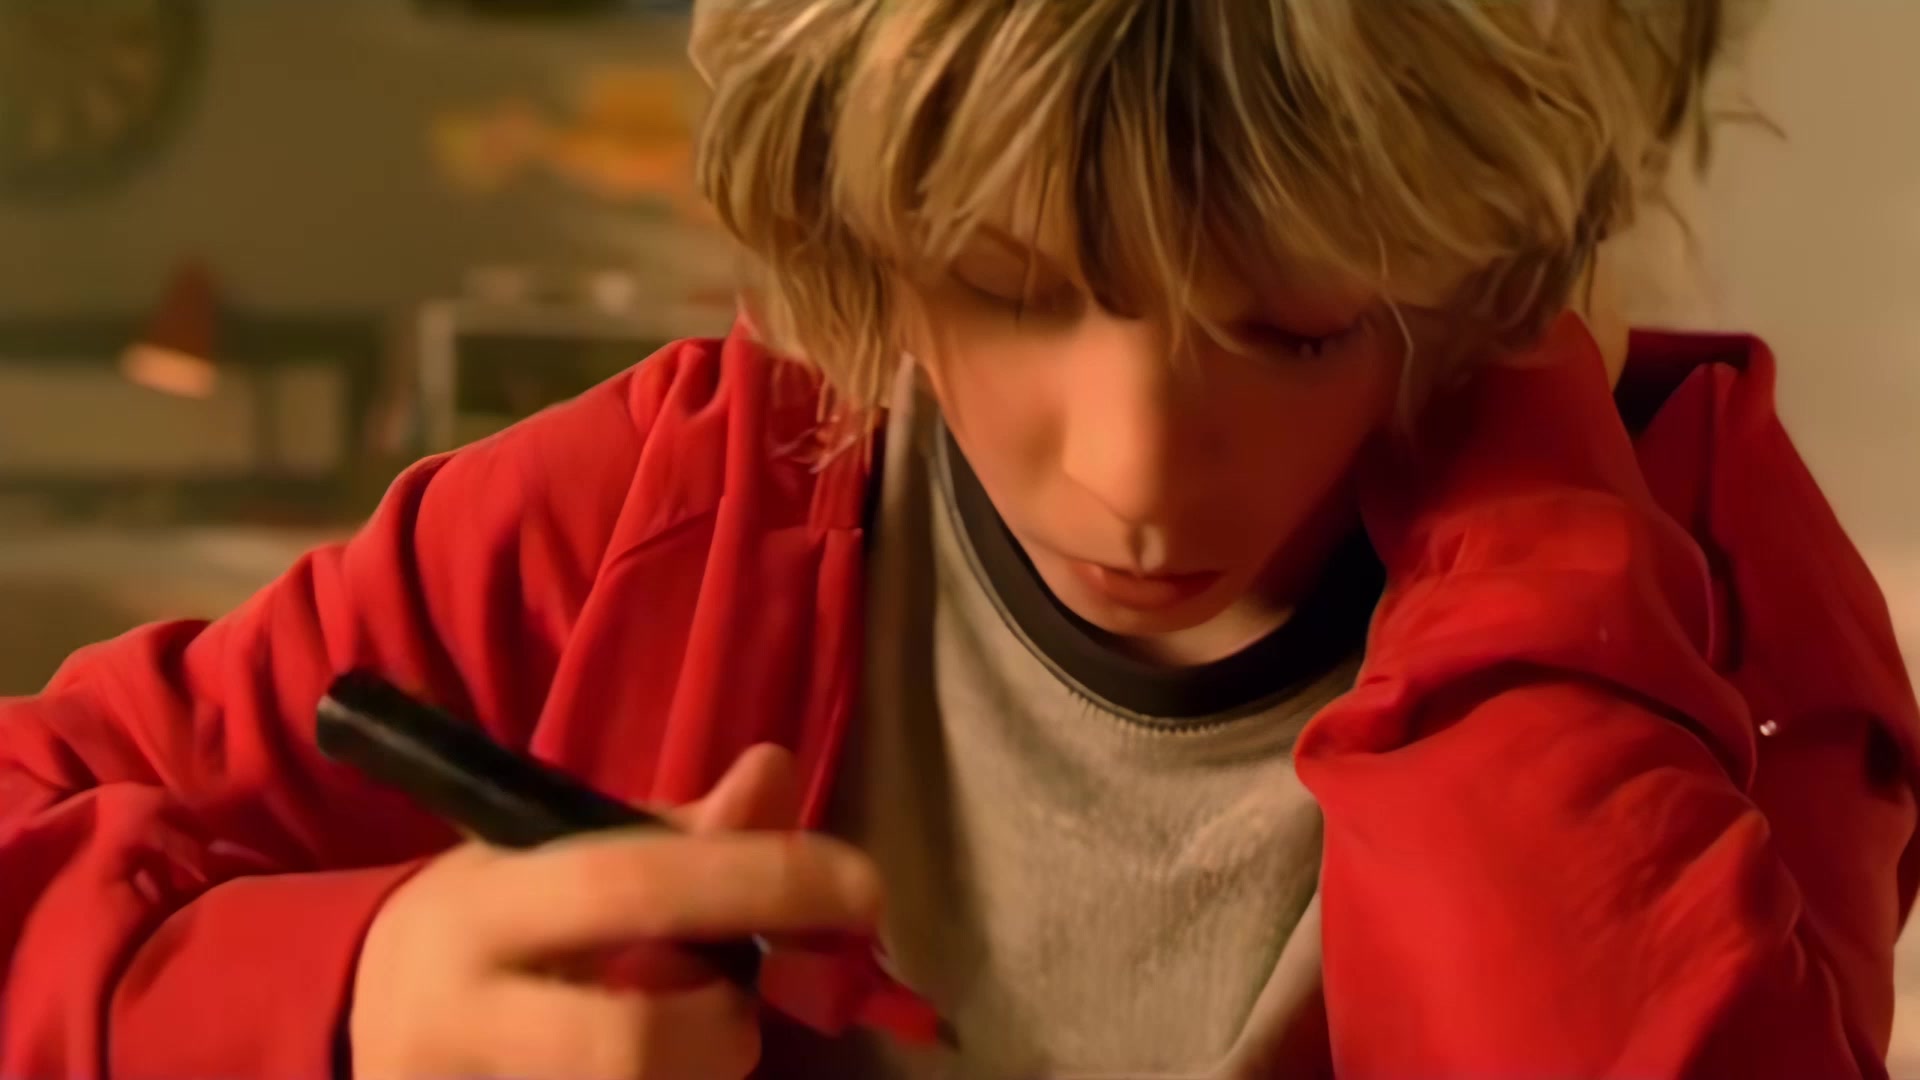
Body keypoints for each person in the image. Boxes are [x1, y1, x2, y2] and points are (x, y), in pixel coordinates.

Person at [3, 1, 1914, 1077]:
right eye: (1010, 287)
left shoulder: (1710, 593)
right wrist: (355, 1001)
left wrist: (1530, 522)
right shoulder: (646, 521)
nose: (1137, 474)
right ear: (856, 230)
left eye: (1298, 324)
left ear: (1480, 269)